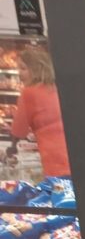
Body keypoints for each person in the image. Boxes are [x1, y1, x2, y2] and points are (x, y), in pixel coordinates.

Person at [10, 47, 70, 178]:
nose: (19, 73)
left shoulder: (28, 93)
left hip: (55, 162)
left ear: (36, 69)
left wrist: (11, 147)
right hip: (74, 158)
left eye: (23, 68)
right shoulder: (56, 88)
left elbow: (19, 131)